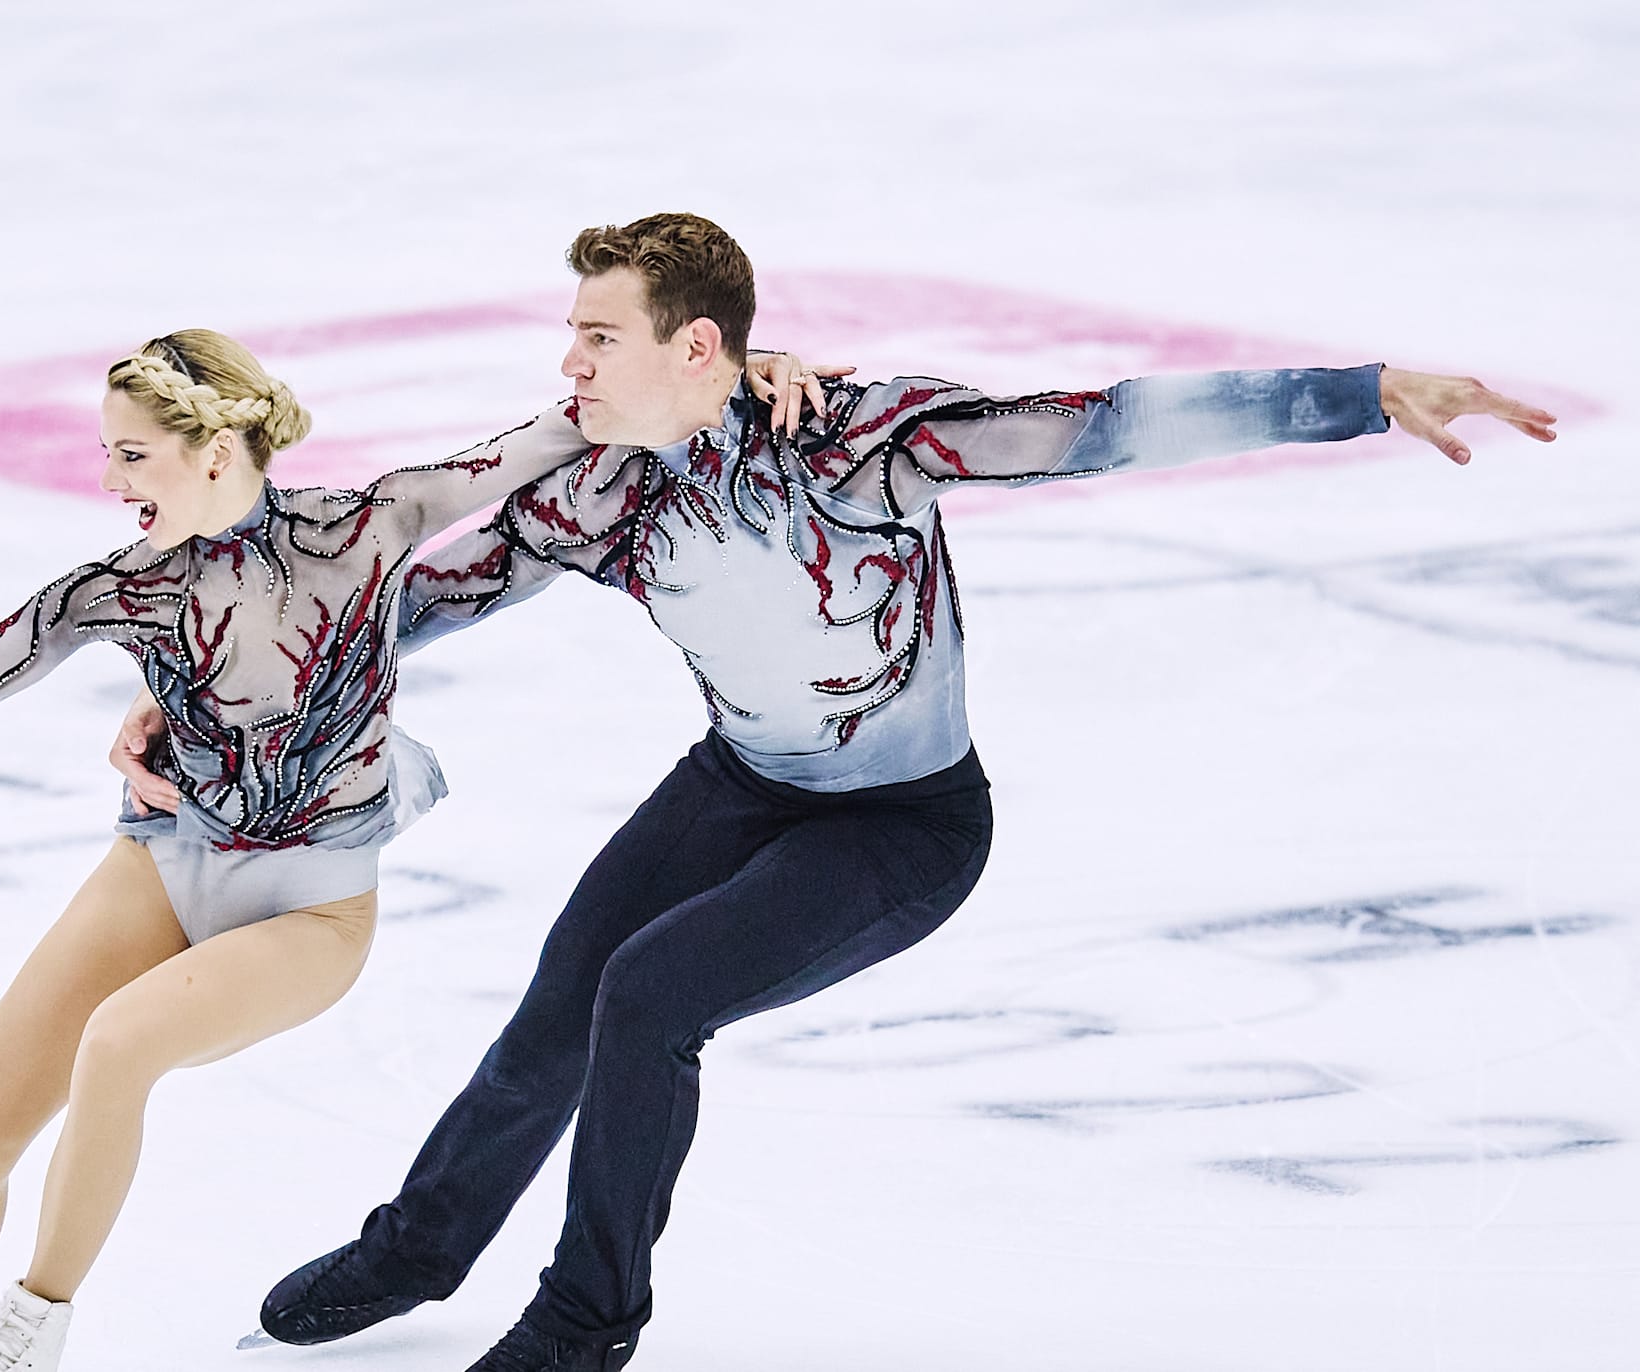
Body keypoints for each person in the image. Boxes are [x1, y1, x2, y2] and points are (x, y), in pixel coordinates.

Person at [108, 214, 1559, 1372]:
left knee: (651, 995)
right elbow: (420, 600)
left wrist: (1359, 394)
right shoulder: (601, 491)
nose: (569, 371)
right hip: (741, 783)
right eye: (569, 340)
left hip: (906, 827)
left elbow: (1103, 423)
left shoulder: (867, 440)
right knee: (567, 990)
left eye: (596, 338)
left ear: (692, 346)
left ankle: (586, 1319)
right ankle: (421, 1249)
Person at [0, 327, 821, 1372]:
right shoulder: (115, 589)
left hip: (310, 911)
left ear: (216, 446)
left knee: (117, 1044)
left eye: (133, 452)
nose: (114, 477)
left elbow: (561, 430)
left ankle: (33, 1329)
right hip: (161, 866)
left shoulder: (366, 527)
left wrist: (724, 370)